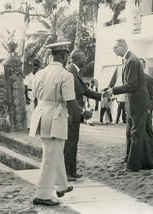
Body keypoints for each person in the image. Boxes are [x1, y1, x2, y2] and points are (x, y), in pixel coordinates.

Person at [29, 41, 79, 206]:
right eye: (67, 57)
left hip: (42, 114)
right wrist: (83, 112)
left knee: (54, 152)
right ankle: (42, 195)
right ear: (64, 56)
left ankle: (61, 186)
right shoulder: (65, 75)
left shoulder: (40, 73)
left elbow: (35, 95)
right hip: (56, 116)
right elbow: (70, 101)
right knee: (50, 156)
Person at [104, 38, 149, 172]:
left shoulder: (132, 61)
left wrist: (113, 90)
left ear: (123, 47)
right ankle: (143, 161)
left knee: (135, 134)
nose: (114, 50)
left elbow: (131, 85)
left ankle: (133, 165)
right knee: (132, 133)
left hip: (138, 103)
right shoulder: (129, 59)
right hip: (132, 103)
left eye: (115, 48)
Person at [64, 49, 102, 181]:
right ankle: (66, 172)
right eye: (84, 58)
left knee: (73, 142)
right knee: (69, 143)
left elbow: (84, 90)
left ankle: (72, 170)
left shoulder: (75, 72)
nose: (86, 60)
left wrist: (102, 96)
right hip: (71, 112)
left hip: (75, 112)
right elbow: (73, 95)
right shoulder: (70, 72)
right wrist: (82, 111)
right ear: (76, 59)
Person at [140, 58, 153, 164]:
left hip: (146, 112)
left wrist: (149, 109)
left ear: (144, 66)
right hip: (134, 112)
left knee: (148, 132)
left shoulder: (149, 79)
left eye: (141, 64)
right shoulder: (130, 78)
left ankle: (152, 154)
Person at [24, 59, 41, 129]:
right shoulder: (28, 77)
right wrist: (27, 97)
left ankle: (35, 125)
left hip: (36, 93)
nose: (35, 70)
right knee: (30, 110)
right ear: (32, 69)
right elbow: (25, 87)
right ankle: (29, 126)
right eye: (34, 69)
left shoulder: (38, 76)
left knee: (36, 109)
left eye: (37, 69)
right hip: (30, 93)